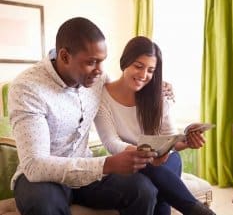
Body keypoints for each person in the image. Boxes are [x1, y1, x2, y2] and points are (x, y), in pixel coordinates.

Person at [8, 17, 169, 215]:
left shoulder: (97, 79)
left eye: (102, 61)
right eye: (91, 62)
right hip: (42, 178)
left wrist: (159, 88)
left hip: (85, 170)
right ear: (65, 57)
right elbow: (35, 165)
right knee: (44, 205)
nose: (100, 70)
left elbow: (124, 87)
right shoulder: (27, 88)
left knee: (143, 190)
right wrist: (107, 164)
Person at [94, 36, 216, 215]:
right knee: (155, 184)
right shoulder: (103, 96)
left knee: (156, 171)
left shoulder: (158, 94)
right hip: (134, 162)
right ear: (125, 62)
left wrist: (188, 140)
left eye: (151, 70)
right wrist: (145, 154)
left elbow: (170, 138)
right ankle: (194, 209)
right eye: (138, 66)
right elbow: (111, 142)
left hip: (166, 160)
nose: (144, 76)